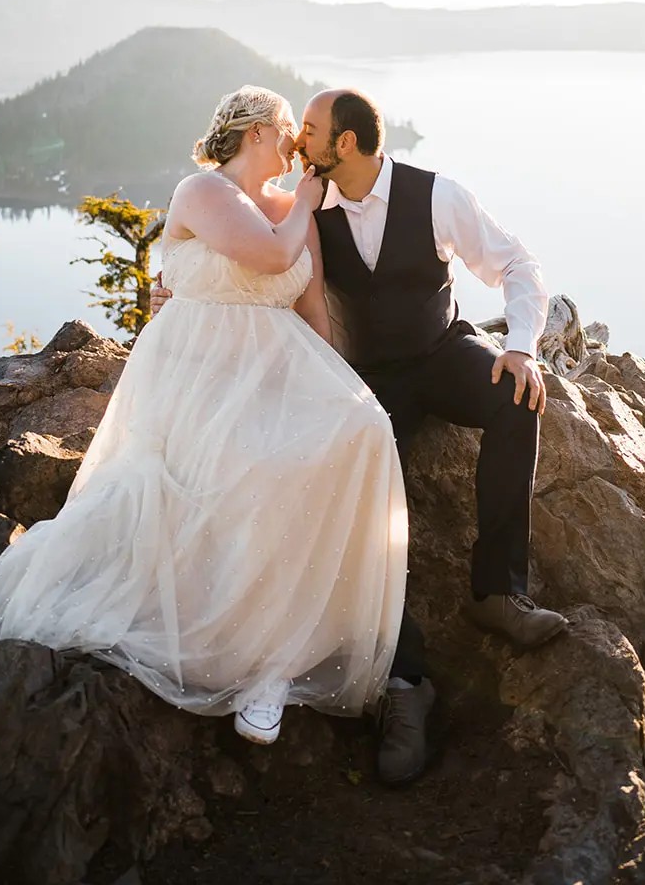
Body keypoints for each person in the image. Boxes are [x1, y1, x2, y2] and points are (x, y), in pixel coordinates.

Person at [153, 86, 564, 786]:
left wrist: (521, 346)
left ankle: (498, 592)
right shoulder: (301, 208)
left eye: (308, 131)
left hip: (441, 351)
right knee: (367, 480)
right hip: (368, 379)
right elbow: (279, 293)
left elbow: (516, 265)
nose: (297, 145)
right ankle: (406, 684)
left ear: (344, 144)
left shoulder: (437, 196)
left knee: (514, 401)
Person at [0, 86, 407, 749]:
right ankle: (238, 659)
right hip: (195, 380)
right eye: (290, 128)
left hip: (272, 375)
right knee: (246, 468)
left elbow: (312, 303)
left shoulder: (294, 211)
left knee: (364, 429)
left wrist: (341, 387)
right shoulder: (204, 193)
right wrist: (304, 202)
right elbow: (268, 256)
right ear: (258, 131)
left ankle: (278, 662)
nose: (298, 143)